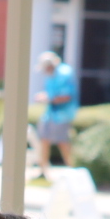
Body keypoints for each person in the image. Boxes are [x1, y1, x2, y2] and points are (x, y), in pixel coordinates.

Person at [31, 50, 78, 179]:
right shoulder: (50, 75)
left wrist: (48, 98)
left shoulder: (64, 73)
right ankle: (42, 171)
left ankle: (73, 170)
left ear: (50, 66)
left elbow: (66, 96)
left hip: (63, 115)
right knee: (44, 141)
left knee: (63, 142)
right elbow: (50, 94)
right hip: (50, 114)